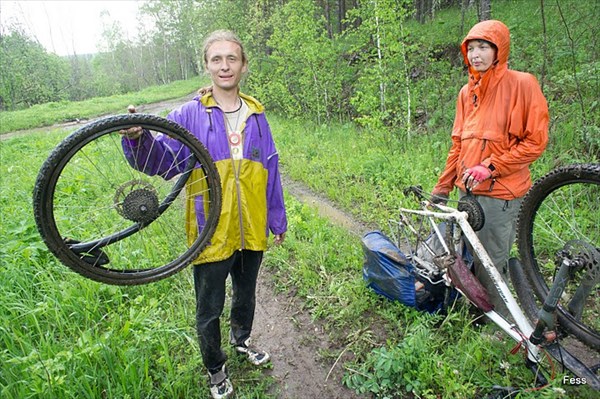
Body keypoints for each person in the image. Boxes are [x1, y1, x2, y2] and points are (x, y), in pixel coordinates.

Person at [120, 30, 287, 399]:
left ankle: (242, 342)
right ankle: (215, 369)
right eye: (217, 59)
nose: (224, 66)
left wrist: (276, 218)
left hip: (252, 226)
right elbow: (161, 161)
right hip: (210, 229)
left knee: (246, 295)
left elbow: (270, 171)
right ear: (207, 65)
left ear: (243, 65)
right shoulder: (188, 114)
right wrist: (137, 137)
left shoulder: (257, 115)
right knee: (209, 305)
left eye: (232, 59)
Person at [431, 20, 549, 318]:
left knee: (491, 263)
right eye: (470, 48)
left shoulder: (522, 84)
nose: (475, 54)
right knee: (466, 254)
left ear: (499, 50)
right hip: (467, 193)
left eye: (483, 47)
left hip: (501, 195)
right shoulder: (465, 93)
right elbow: (458, 146)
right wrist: (442, 188)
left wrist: (492, 166)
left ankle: (496, 326)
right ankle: (473, 310)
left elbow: (535, 142)